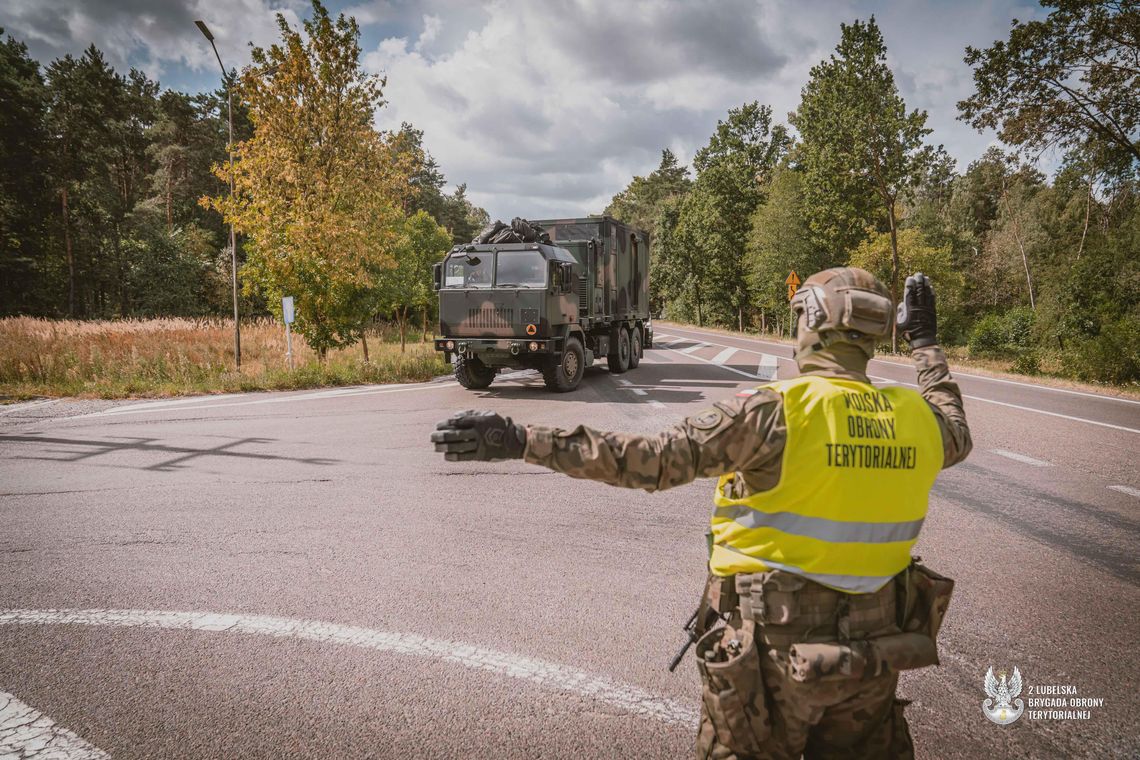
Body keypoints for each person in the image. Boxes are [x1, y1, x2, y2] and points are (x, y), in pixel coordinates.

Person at [431, 268, 971, 759]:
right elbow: (953, 420)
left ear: (810, 322)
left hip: (774, 652)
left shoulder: (773, 413)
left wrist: (522, 438)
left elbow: (649, 460)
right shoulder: (919, 420)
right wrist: (927, 345)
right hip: (876, 652)